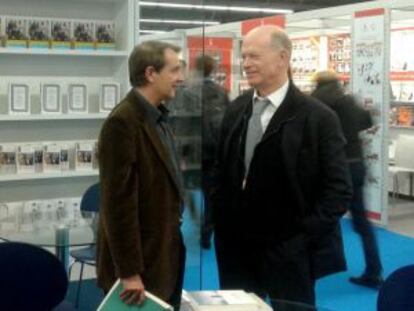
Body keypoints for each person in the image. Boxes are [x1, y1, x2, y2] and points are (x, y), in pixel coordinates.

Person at [211, 25, 352, 307]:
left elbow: (338, 191)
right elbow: (221, 172)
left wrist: (300, 239)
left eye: (254, 56)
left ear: (283, 58)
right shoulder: (237, 109)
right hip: (237, 251)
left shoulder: (317, 117)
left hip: (289, 255)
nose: (246, 64)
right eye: (244, 56)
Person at [96, 40, 186, 311]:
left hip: (162, 256)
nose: (181, 79)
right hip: (139, 267)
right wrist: (129, 272)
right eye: (174, 70)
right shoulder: (122, 123)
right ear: (150, 74)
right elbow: (117, 205)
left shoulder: (159, 119)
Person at [312, 70, 384, 289]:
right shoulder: (349, 102)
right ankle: (374, 271)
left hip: (329, 169)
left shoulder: (314, 102)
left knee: (316, 219)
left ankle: (309, 272)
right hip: (355, 166)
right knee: (362, 223)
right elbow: (367, 121)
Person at [183, 54, 230, 249]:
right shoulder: (221, 92)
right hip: (215, 151)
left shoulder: (189, 92)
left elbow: (184, 124)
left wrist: (182, 153)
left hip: (194, 151)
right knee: (211, 196)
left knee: (187, 190)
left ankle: (195, 219)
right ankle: (207, 230)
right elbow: (228, 122)